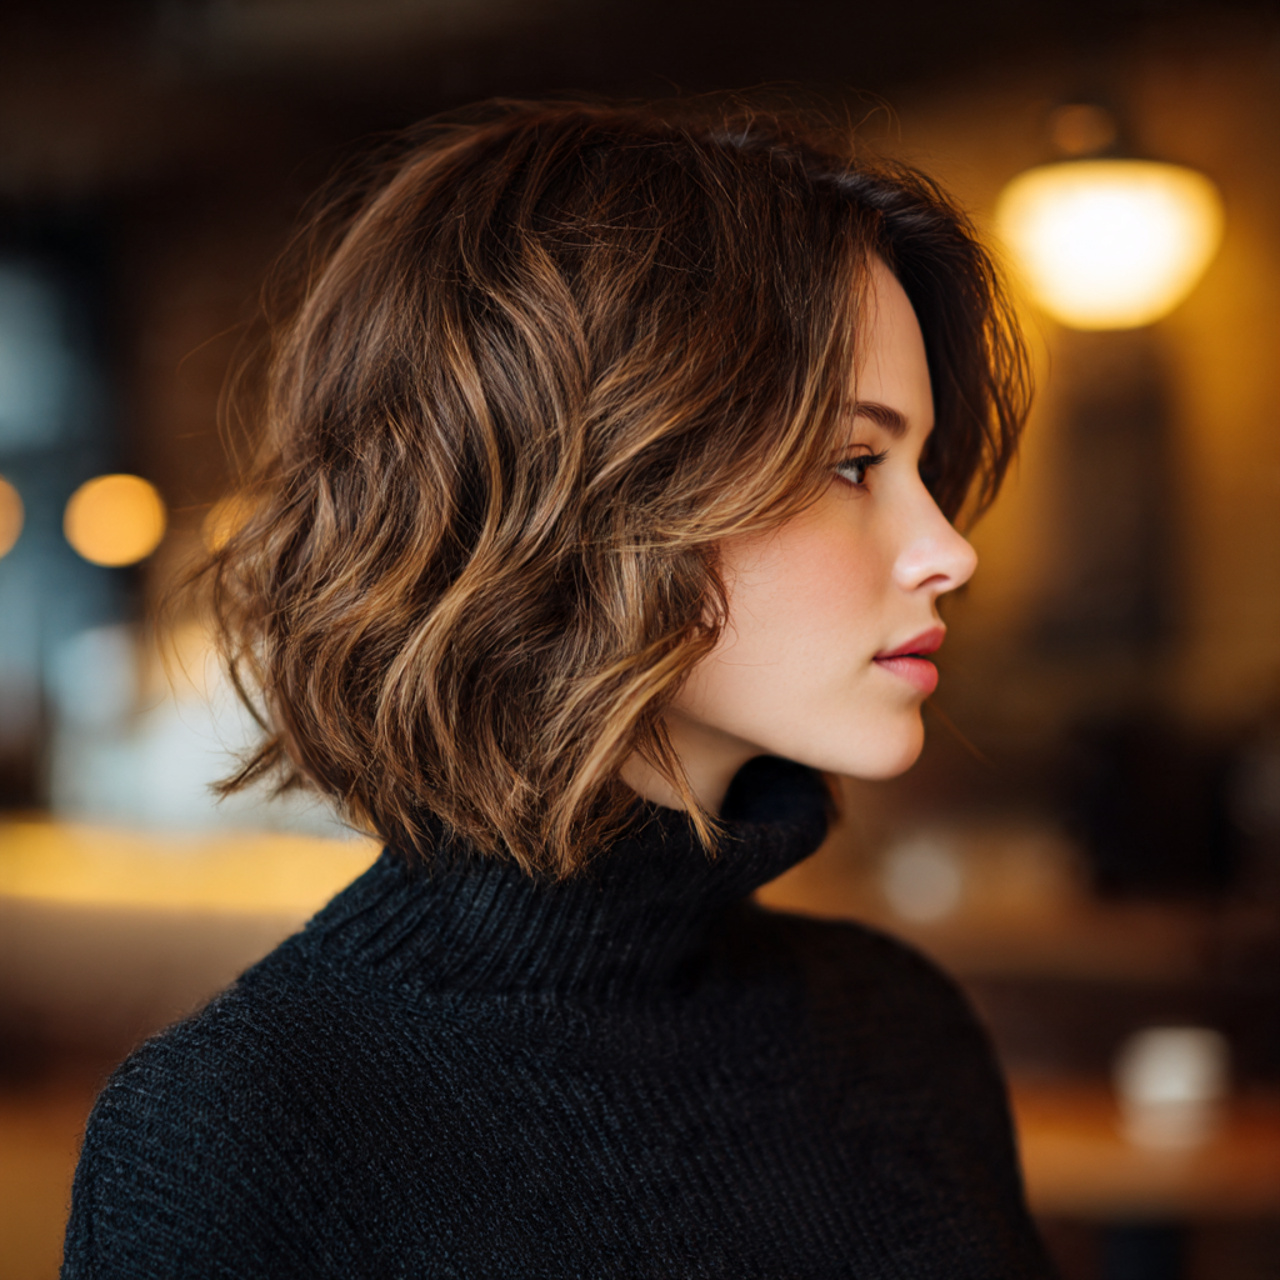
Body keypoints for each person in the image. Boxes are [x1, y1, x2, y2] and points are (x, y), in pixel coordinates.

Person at [62, 97, 1052, 1277]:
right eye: (851, 461)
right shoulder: (238, 1126)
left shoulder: (901, 1032)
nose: (949, 547)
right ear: (585, 499)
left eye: (918, 466)